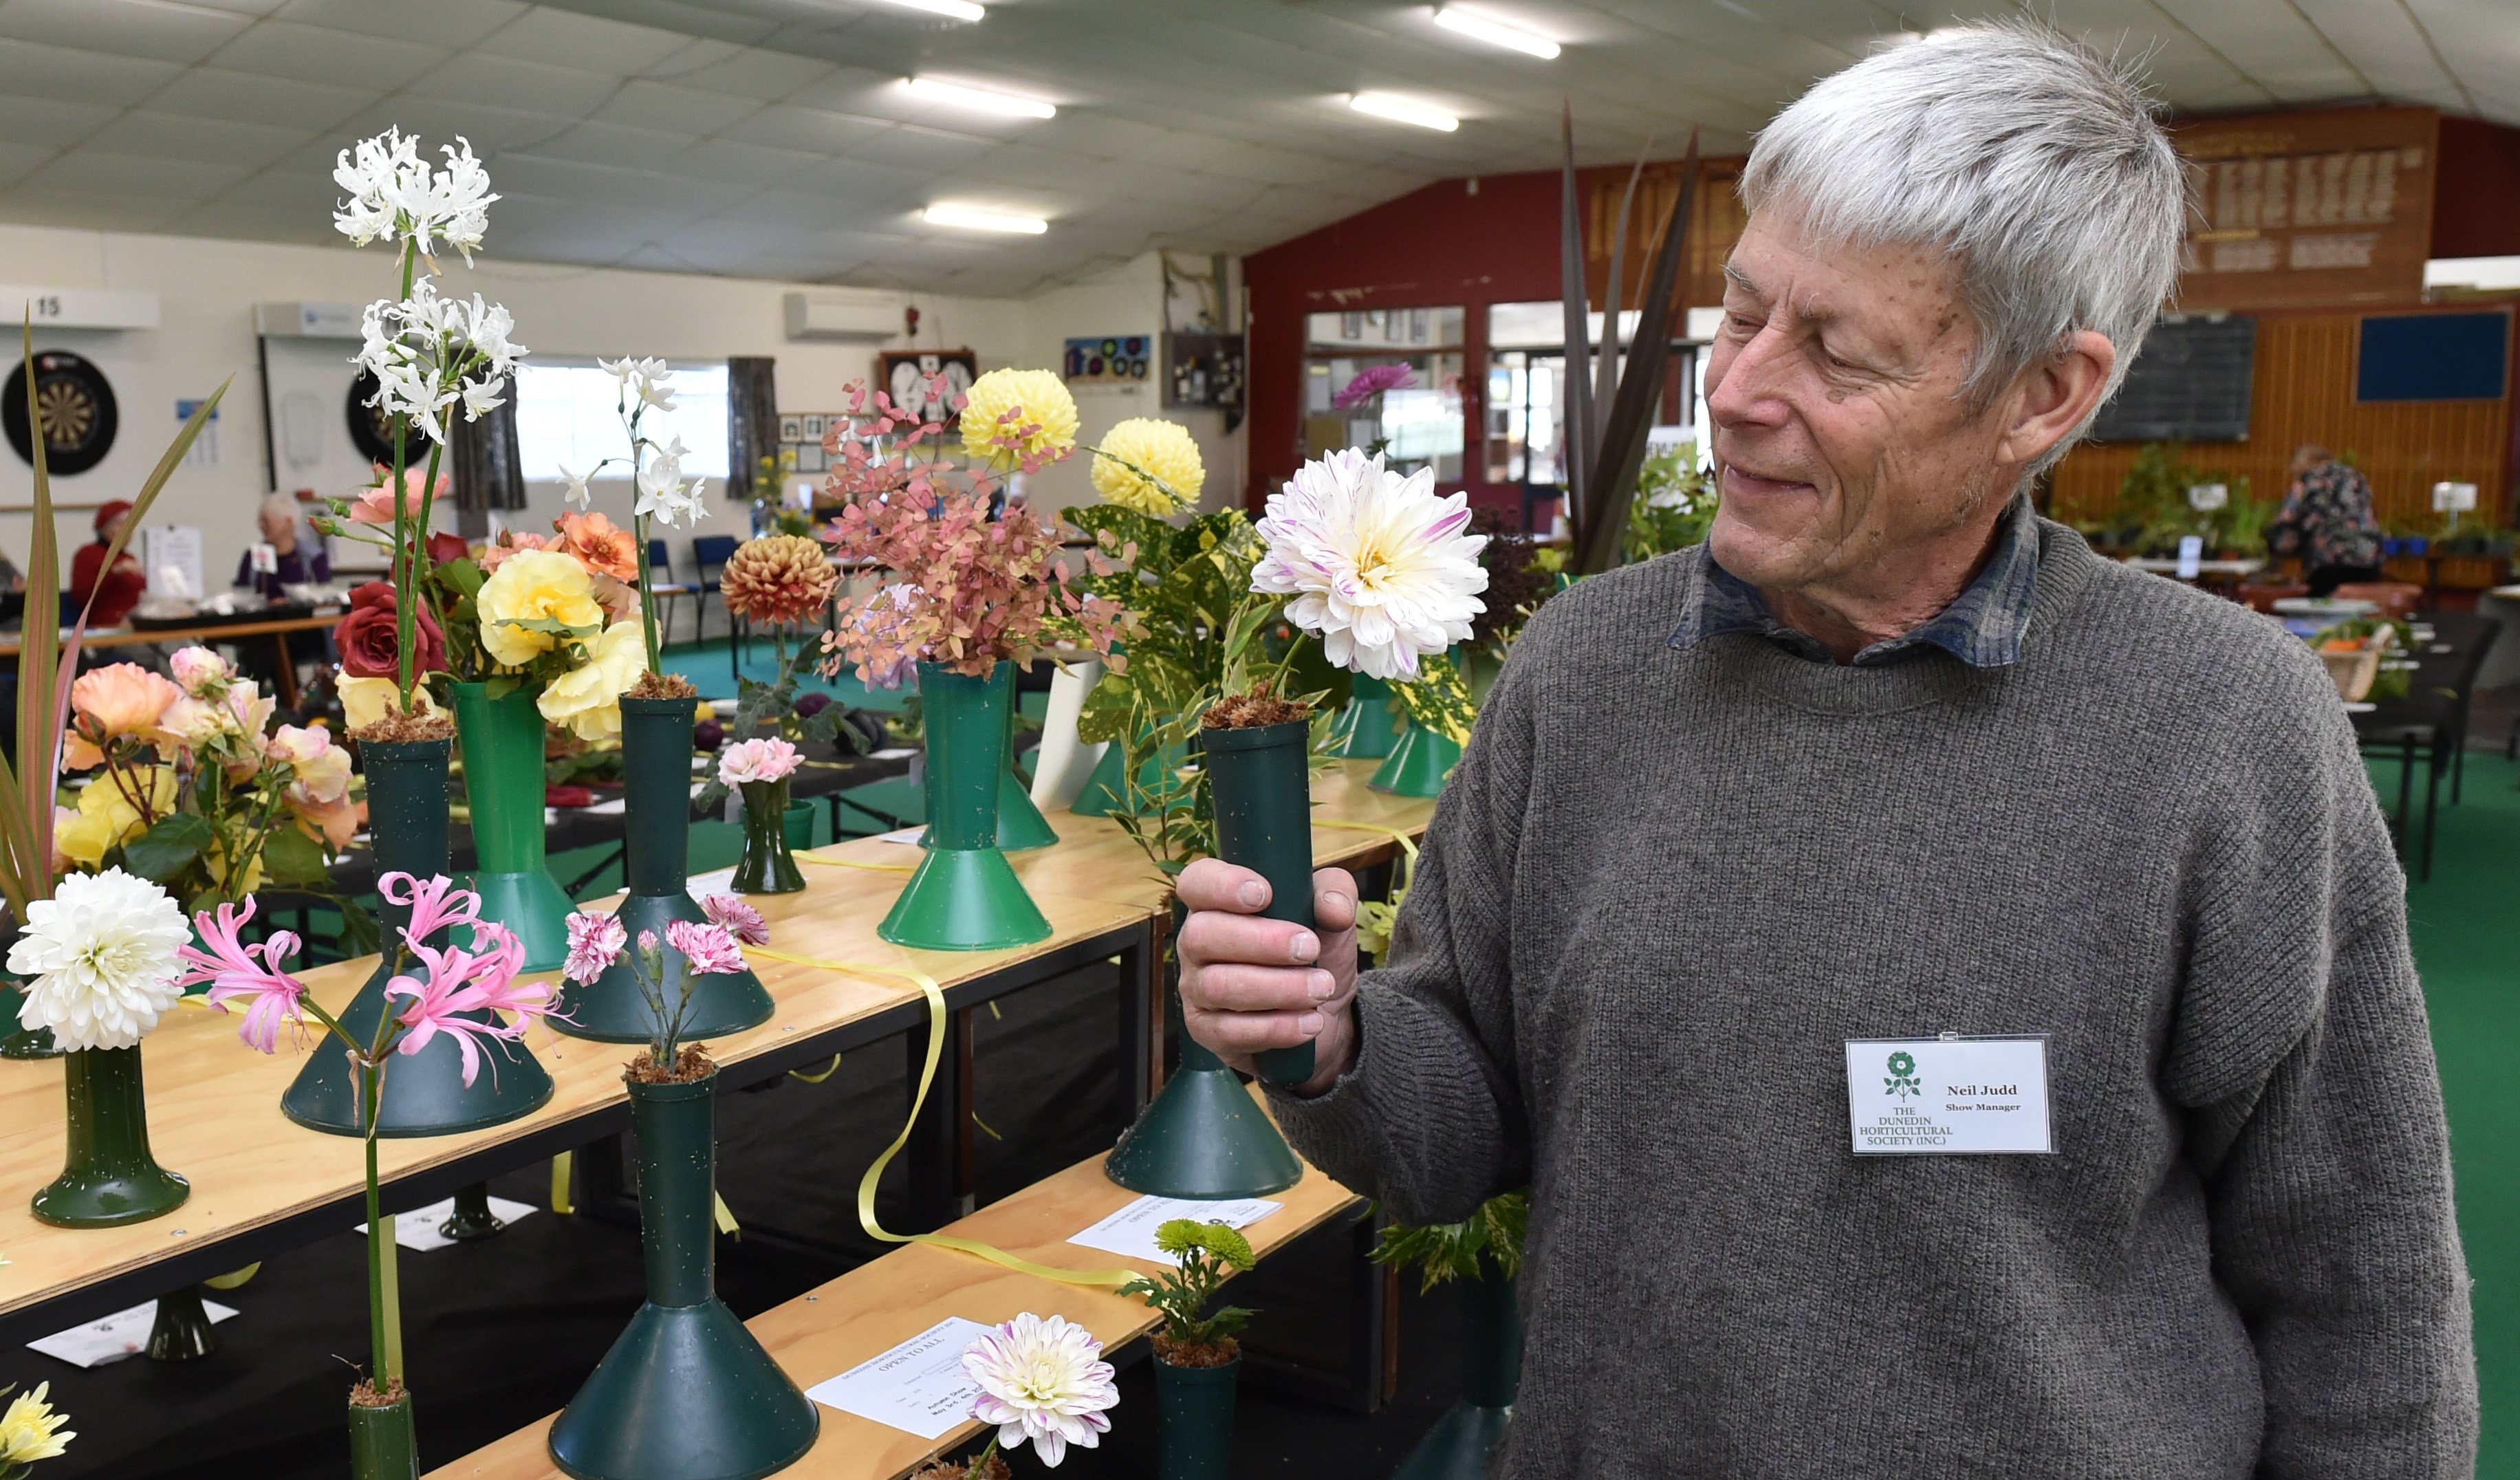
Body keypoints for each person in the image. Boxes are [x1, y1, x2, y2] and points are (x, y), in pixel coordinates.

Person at [1177, 24, 2474, 1478]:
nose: (1734, 388)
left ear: (2042, 396)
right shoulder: (1584, 669)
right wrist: (1333, 1034)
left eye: (1835, 349)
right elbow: (1452, 1124)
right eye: (1739, 314)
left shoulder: (2221, 728)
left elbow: (2366, 1296)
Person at [2270, 443, 2384, 596]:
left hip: (2328, 563)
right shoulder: (2357, 477)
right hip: (2368, 560)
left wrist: (2275, 553)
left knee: (2321, 613)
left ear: (2304, 463)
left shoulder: (2309, 480)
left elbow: (2288, 520)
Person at [235, 492, 330, 600]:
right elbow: (243, 596)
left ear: (289, 522)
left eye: (266, 521)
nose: (261, 526)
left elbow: (324, 597)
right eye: (260, 521)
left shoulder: (314, 556)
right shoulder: (253, 556)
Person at [68, 499, 146, 627]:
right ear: (103, 527)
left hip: (136, 623)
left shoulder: (129, 557)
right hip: (107, 625)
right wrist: (114, 572)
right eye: (120, 525)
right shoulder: (87, 554)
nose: (127, 531)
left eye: (131, 525)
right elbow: (81, 597)